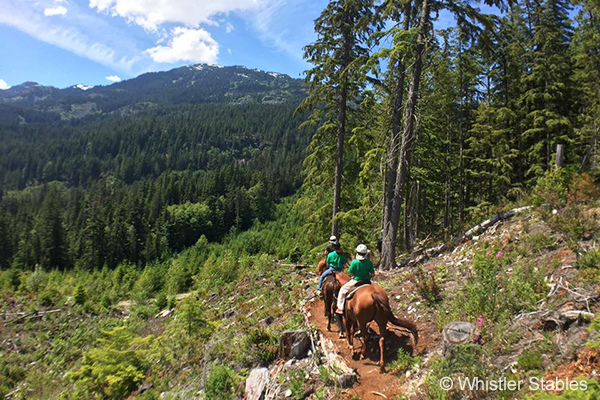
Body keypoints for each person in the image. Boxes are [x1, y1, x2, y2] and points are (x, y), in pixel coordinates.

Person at [336, 244, 375, 314]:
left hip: (356, 280)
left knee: (342, 290)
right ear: (366, 253)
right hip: (367, 281)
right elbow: (372, 274)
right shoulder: (369, 262)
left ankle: (340, 308)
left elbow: (350, 272)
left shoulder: (354, 262)